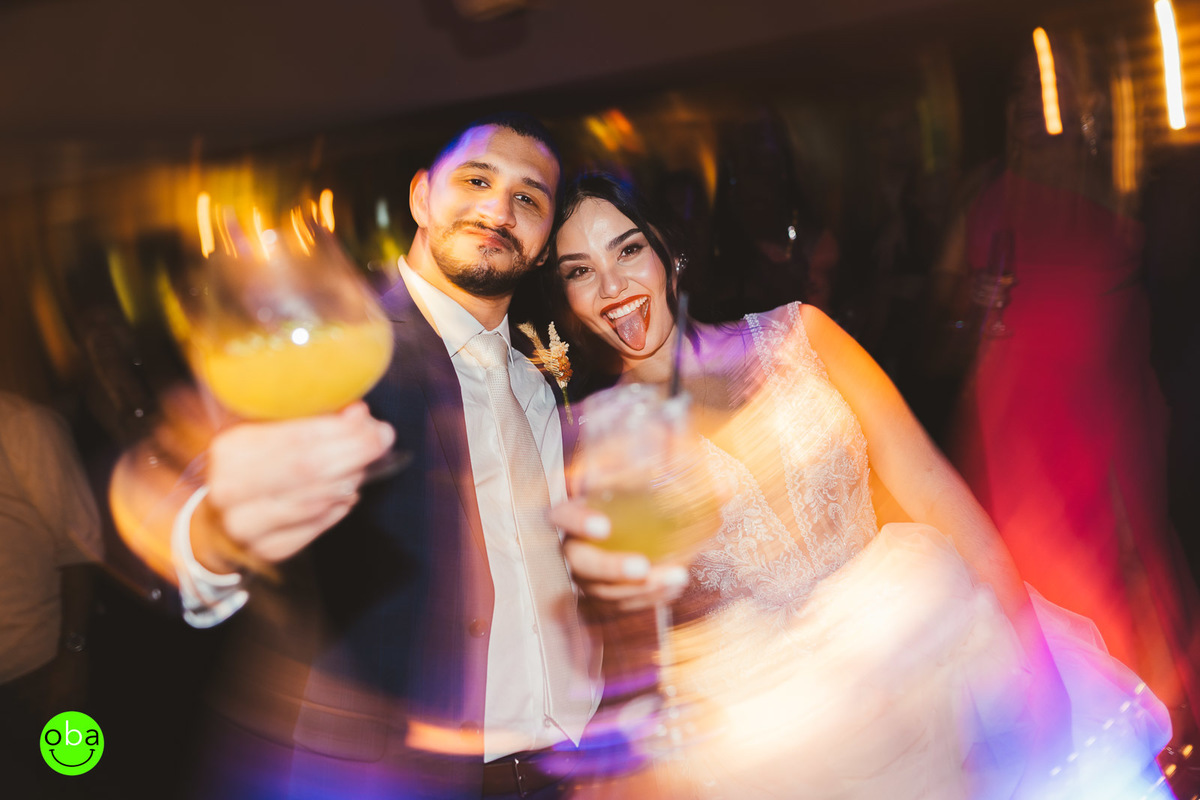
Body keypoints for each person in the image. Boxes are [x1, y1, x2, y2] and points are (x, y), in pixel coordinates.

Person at [547, 174, 1175, 799]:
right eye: (580, 271)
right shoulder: (602, 439)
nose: (612, 287)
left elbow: (932, 488)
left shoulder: (803, 334)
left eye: (628, 249)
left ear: (666, 250)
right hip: (779, 742)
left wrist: (1034, 654)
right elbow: (635, 637)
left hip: (932, 660)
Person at [111, 115, 683, 799]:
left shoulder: (545, 380)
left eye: (528, 198)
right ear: (420, 198)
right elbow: (192, 490)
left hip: (574, 766)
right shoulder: (344, 338)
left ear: (539, 250)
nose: (499, 210)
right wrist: (213, 534)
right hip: (404, 778)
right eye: (477, 181)